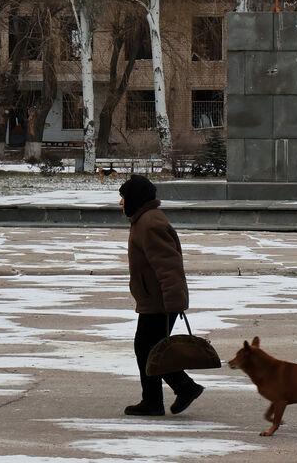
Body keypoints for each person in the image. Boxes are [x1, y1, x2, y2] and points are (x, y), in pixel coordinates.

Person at [119, 174, 204, 416]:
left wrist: (173, 302)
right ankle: (164, 396)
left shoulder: (150, 224)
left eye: (123, 197)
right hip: (154, 299)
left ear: (135, 198)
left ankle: (174, 392)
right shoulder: (144, 220)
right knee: (148, 349)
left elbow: (168, 266)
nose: (121, 202)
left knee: (149, 350)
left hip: (161, 302)